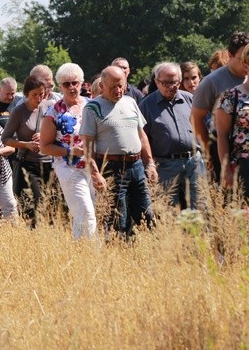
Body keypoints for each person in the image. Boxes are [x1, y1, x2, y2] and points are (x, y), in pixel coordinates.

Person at [81, 66, 158, 237]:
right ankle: (118, 255)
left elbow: (141, 135)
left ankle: (143, 255)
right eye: (113, 87)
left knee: (146, 216)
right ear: (102, 86)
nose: (118, 90)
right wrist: (95, 174)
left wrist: (150, 163)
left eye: (121, 85)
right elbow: (88, 147)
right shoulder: (92, 108)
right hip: (111, 169)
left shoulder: (130, 102)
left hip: (137, 166)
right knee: (117, 221)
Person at [39, 63, 97, 239]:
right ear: (60, 86)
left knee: (91, 212)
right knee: (85, 212)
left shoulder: (91, 105)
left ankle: (81, 251)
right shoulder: (53, 112)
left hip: (94, 167)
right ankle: (90, 253)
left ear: (82, 83)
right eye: (66, 84)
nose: (72, 87)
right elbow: (44, 146)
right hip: (69, 167)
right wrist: (71, 150)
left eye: (75, 83)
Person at [140, 62, 205, 210]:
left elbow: (201, 127)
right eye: (166, 83)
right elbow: (142, 137)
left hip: (194, 161)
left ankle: (203, 234)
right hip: (165, 165)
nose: (171, 86)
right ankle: (172, 234)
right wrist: (150, 163)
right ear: (156, 82)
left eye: (175, 82)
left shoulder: (190, 99)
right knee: (169, 209)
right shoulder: (146, 105)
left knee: (201, 206)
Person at [192, 32, 249, 183]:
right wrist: (208, 153)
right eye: (242, 58)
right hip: (224, 151)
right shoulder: (212, 82)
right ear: (230, 55)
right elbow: (196, 118)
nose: (246, 62)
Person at [3, 75, 51, 228]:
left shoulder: (49, 107)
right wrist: (26, 144)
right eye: (34, 94)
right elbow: (6, 138)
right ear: (26, 94)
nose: (38, 98)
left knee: (51, 204)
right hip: (29, 164)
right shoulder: (19, 111)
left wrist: (45, 135)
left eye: (41, 94)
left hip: (50, 163)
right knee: (35, 203)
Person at [215, 48, 249, 198]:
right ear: (246, 65)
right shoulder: (231, 96)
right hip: (244, 166)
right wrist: (226, 169)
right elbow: (221, 135)